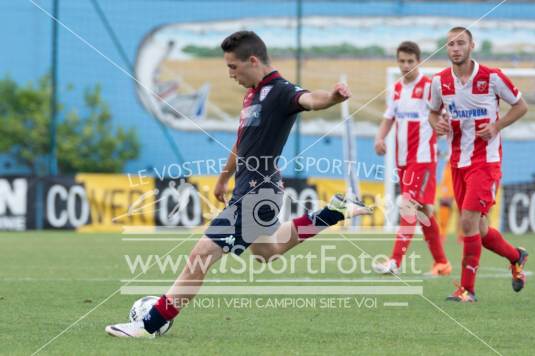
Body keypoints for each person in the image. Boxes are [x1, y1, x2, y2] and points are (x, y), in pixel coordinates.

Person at [105, 30, 372, 338]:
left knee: (202, 253)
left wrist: (334, 98)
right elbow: (241, 141)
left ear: (253, 60)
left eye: (233, 66)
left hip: (261, 195)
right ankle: (334, 212)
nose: (230, 74)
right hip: (248, 190)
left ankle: (149, 324)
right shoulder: (251, 94)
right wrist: (222, 178)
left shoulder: (281, 91)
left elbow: (311, 99)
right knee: (268, 251)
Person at [428, 27, 529, 302]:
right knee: (480, 230)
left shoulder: (492, 77)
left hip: (486, 162)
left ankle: (467, 289)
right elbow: (433, 113)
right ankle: (516, 256)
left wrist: (497, 125)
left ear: (472, 45)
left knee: (468, 222)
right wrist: (436, 123)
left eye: (461, 43)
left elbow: (521, 107)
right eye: (450, 44)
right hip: (457, 162)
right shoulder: (439, 82)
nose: (455, 48)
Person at [373, 41, 451, 276]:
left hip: (424, 158)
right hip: (403, 158)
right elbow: (389, 118)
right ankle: (442, 263)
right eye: (402, 61)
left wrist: (442, 127)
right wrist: (380, 138)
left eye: (410, 61)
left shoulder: (429, 87)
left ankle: (394, 261)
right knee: (424, 211)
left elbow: (444, 115)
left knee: (409, 206)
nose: (405, 65)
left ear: (419, 62)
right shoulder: (396, 88)